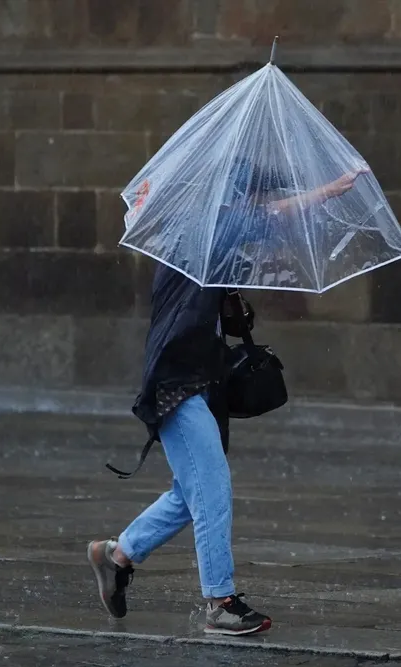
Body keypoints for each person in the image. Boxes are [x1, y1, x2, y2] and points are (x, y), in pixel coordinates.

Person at [87, 162, 367, 636]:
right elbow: (269, 218)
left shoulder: (205, 240)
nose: (256, 204)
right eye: (252, 195)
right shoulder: (204, 225)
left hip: (199, 382)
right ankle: (220, 602)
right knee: (212, 486)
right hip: (177, 384)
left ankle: (116, 557)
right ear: (236, 196)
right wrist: (327, 191)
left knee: (190, 492)